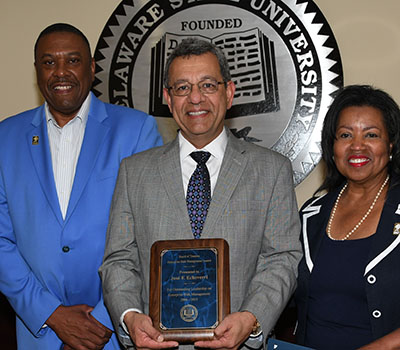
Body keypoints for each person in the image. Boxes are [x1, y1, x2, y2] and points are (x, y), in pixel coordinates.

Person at [99, 37, 302, 350]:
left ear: (229, 92)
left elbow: (283, 257)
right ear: (168, 98)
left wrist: (251, 318)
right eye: (182, 87)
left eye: (207, 85)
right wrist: (129, 316)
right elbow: (118, 260)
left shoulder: (272, 170)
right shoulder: (134, 172)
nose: (195, 98)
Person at [0, 23, 162, 350]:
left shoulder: (136, 131)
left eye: (72, 61)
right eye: (49, 62)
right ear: (37, 70)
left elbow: (151, 233)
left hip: (115, 332)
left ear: (91, 67)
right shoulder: (5, 138)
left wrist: (101, 320)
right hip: (40, 333)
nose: (60, 72)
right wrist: (53, 315)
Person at [296, 85, 400, 349]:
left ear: (391, 144)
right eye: (345, 135)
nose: (357, 146)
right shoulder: (311, 215)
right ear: (332, 147)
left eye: (371, 135)